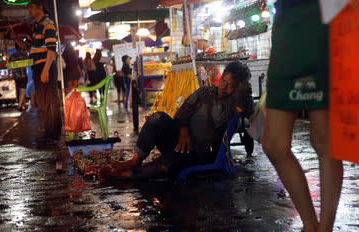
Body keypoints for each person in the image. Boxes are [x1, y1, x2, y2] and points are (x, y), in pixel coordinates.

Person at [264, 0, 344, 232]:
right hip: (285, 19)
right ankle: (310, 228)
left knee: (323, 139)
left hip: (322, 13)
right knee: (273, 144)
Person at [99, 61, 254, 180]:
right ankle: (135, 161)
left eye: (230, 85)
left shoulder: (235, 104)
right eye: (223, 81)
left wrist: (243, 87)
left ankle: (127, 174)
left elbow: (246, 108)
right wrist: (183, 130)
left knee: (167, 166)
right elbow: (182, 112)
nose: (223, 87)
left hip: (199, 153)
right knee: (157, 118)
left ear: (239, 86)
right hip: (178, 139)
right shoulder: (206, 91)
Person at [12, 0, 62, 142]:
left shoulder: (48, 24)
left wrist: (46, 70)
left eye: (31, 7)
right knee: (43, 101)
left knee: (51, 101)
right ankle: (48, 133)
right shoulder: (35, 27)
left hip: (46, 66)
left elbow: (51, 49)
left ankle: (54, 135)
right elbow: (26, 46)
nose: (30, 10)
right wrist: (16, 38)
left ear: (40, 7)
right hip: (37, 67)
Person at [9, 43, 29, 111]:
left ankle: (24, 104)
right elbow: (29, 61)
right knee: (21, 91)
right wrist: (25, 50)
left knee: (20, 91)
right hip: (23, 76)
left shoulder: (12, 56)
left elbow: (9, 67)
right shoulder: (23, 55)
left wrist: (9, 76)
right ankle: (19, 105)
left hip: (16, 77)